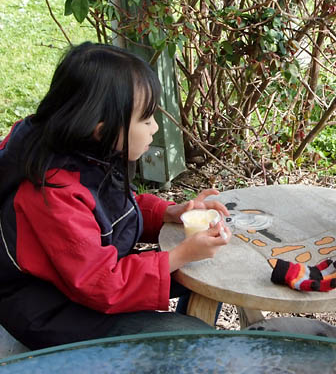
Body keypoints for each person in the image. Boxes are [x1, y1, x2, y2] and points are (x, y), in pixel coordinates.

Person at [0, 42, 232, 350]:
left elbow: (113, 208)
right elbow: (101, 283)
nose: (154, 128)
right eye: (146, 119)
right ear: (102, 128)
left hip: (78, 282)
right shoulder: (53, 193)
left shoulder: (87, 152)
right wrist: (179, 255)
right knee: (188, 337)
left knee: (204, 271)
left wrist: (169, 212)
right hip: (51, 310)